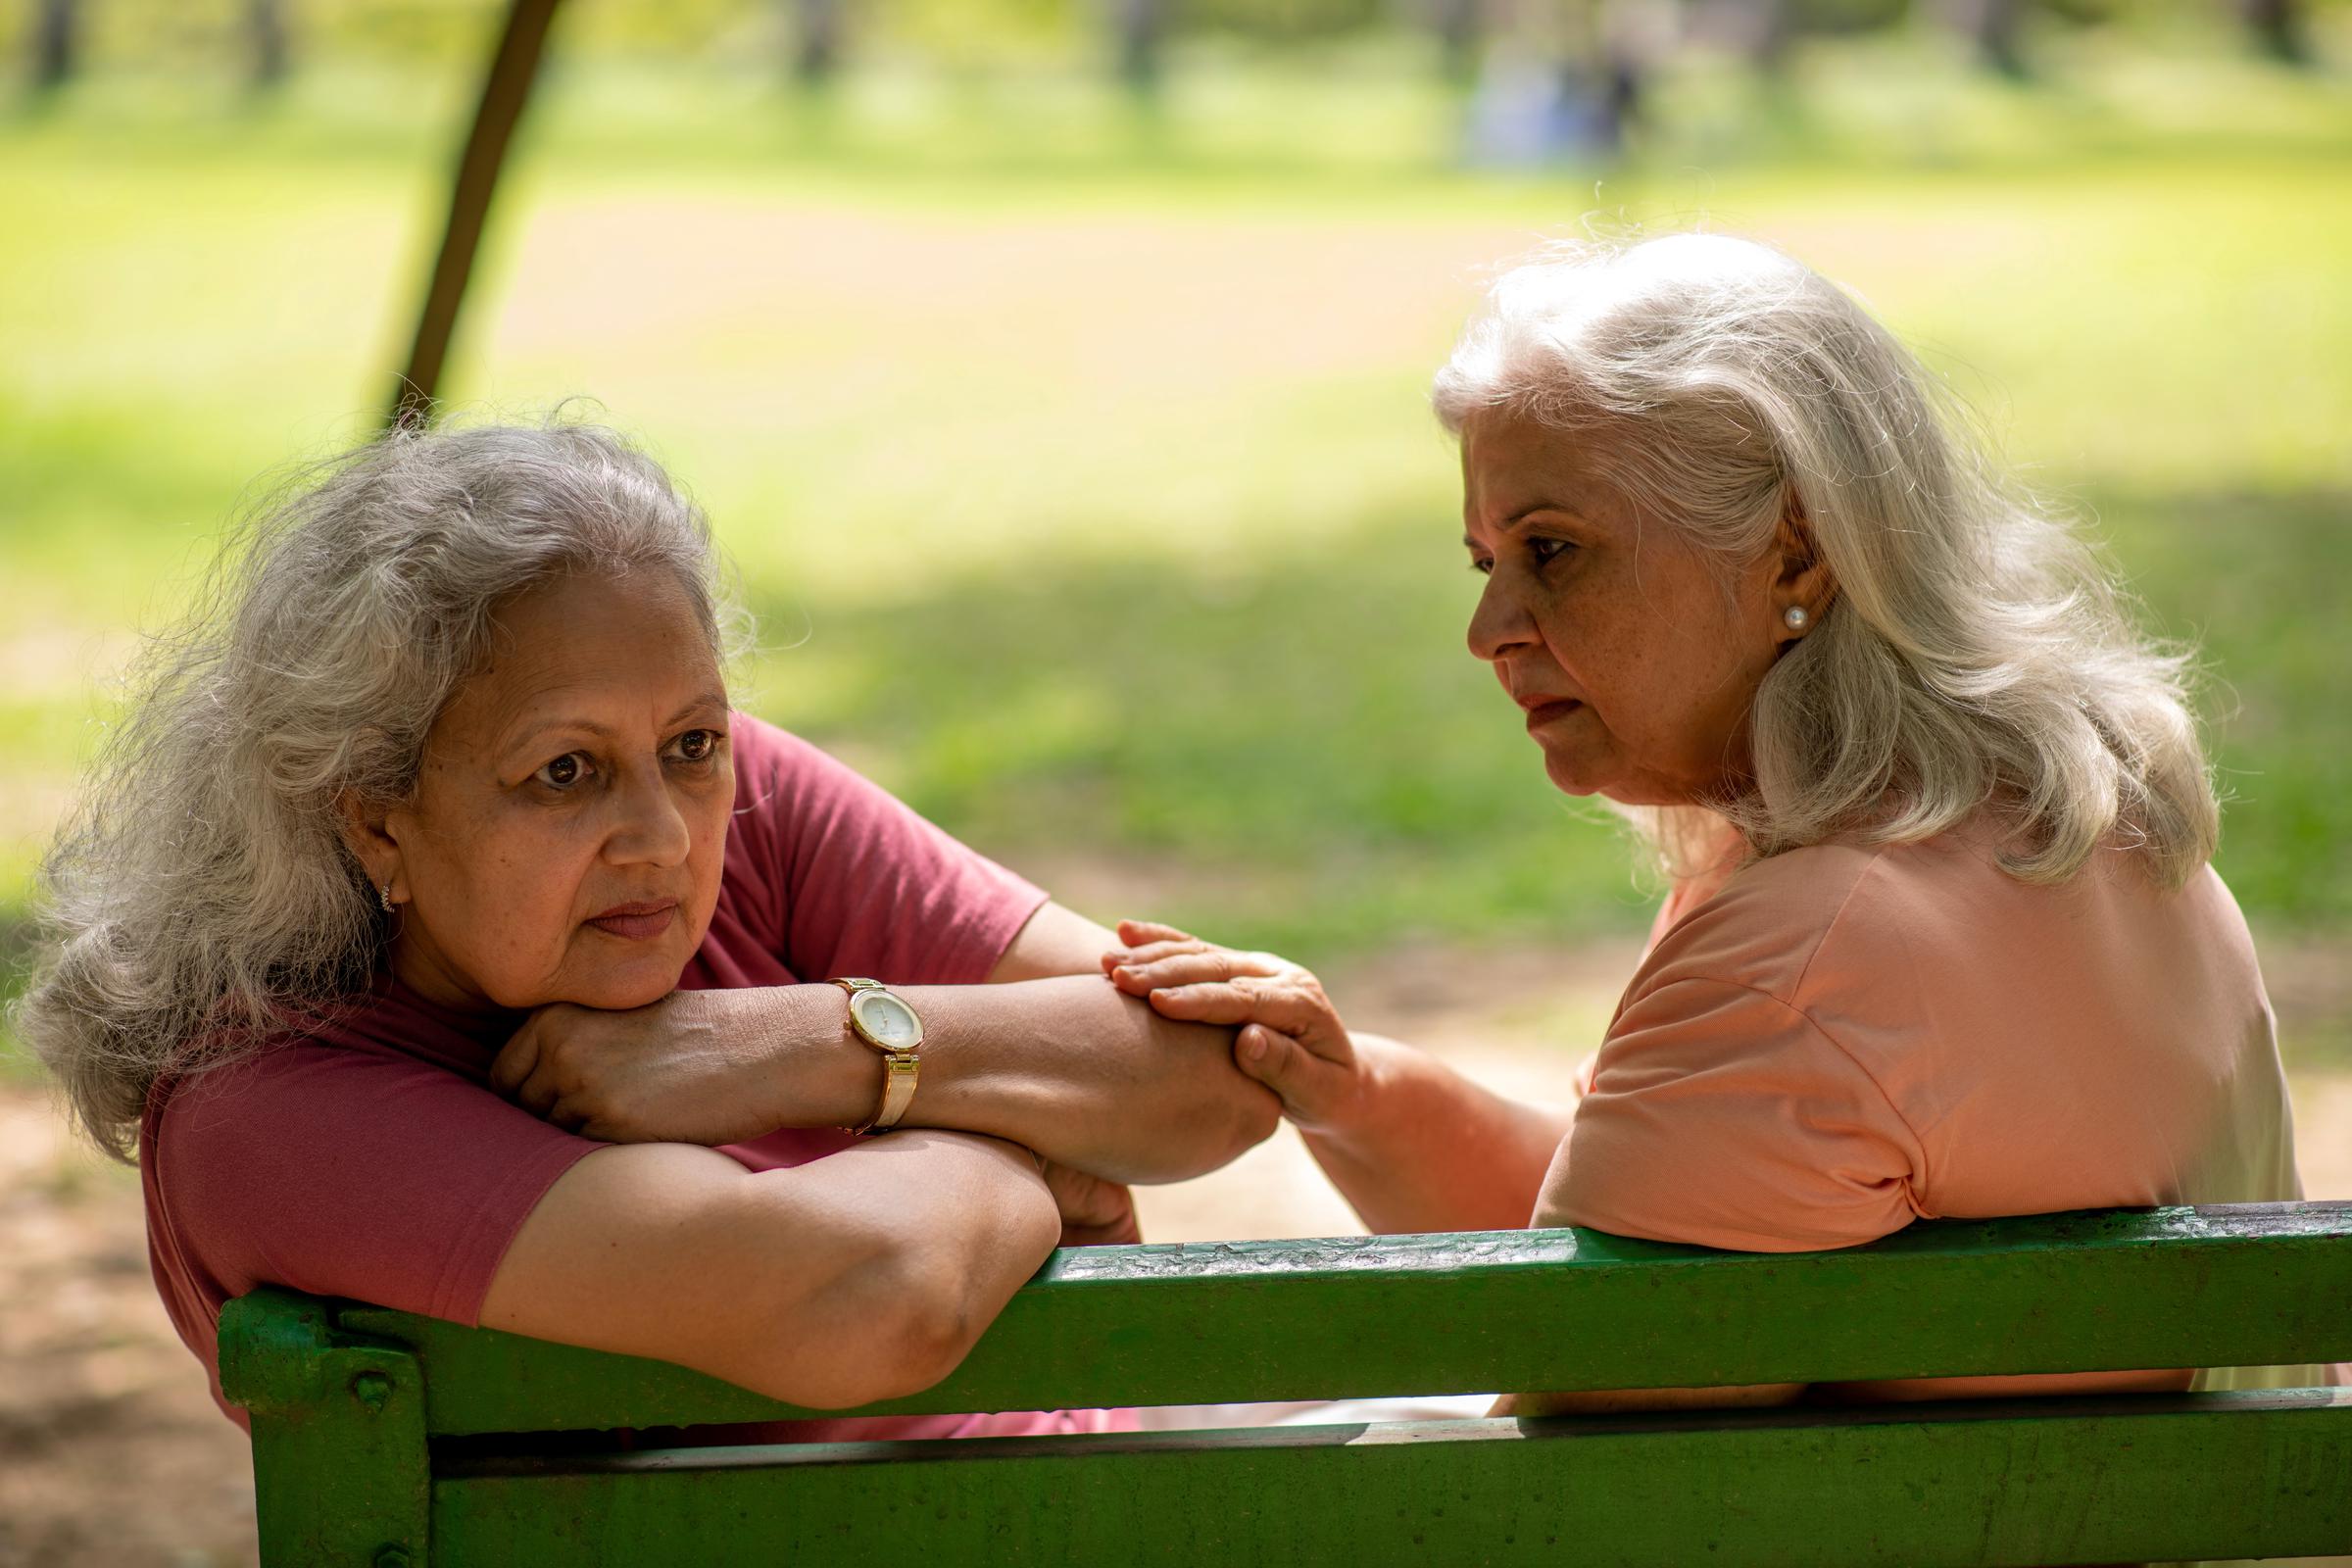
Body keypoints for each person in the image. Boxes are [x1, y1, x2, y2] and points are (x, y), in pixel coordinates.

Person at [1102, 231, 2330, 1407]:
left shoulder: (1807, 959)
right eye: (1488, 562)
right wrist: (1354, 1088)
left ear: (1794, 552)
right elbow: (1659, 1230)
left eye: (1554, 549)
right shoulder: (2086, 819)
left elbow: (1570, 1455)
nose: (1490, 633)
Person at [13, 420, 1278, 1439]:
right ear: (375, 822)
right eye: (563, 772)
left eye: (692, 744)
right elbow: (868, 1294)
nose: (664, 838)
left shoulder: (752, 802)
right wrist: (1024, 1161)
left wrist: (812, 1045)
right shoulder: (272, 1109)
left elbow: (1225, 1066)